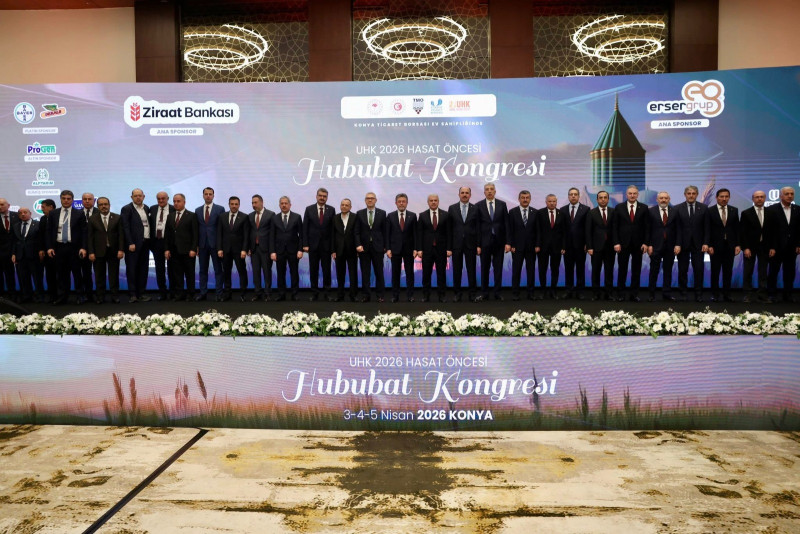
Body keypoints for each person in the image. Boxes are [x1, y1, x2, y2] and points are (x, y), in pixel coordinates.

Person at [46, 190, 87, 305]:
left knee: (77, 273)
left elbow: (84, 232)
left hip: (74, 248)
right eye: (64, 198)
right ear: (60, 199)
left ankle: (80, 296)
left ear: (72, 200)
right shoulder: (53, 213)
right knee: (61, 274)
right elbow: (48, 231)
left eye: (68, 199)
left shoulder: (79, 213)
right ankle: (62, 297)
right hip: (58, 248)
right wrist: (49, 247)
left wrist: (83, 247)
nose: (66, 201)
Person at [612, 185, 649, 302]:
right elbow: (615, 227)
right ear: (626, 194)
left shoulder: (644, 208)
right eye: (630, 193)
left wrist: (646, 243)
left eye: (634, 193)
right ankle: (621, 294)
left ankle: (634, 294)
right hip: (623, 244)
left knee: (636, 270)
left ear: (637, 195)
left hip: (638, 245)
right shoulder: (619, 207)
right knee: (622, 270)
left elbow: (647, 227)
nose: (632, 195)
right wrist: (616, 242)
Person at [475, 183, 510, 301]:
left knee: (498, 268)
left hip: (499, 242)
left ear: (495, 191)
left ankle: (497, 292)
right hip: (484, 242)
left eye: (491, 189)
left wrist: (508, 242)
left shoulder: (502, 204)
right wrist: (478, 245)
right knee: (484, 268)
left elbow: (506, 224)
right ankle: (484, 292)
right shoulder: (478, 205)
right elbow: (477, 227)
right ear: (484, 192)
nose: (489, 191)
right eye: (487, 189)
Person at [675, 185, 710, 302]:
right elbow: (677, 228)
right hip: (682, 244)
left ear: (697, 195)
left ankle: (698, 294)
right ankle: (683, 293)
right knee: (682, 270)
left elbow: (707, 228)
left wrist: (706, 243)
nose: (691, 196)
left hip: (699, 245)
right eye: (689, 193)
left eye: (693, 193)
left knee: (699, 270)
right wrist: (677, 244)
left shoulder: (704, 208)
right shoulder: (677, 208)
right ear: (685, 195)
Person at [87, 197, 124, 304]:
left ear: (109, 205)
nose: (103, 206)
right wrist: (91, 252)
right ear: (98, 206)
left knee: (114, 275)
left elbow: (121, 235)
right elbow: (90, 237)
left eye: (105, 204)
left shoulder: (117, 217)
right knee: (99, 276)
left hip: (114, 251)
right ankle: (100, 296)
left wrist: (121, 250)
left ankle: (115, 296)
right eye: (101, 204)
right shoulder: (92, 219)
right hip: (98, 252)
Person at [645, 192, 681, 302]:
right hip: (655, 246)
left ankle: (667, 294)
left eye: (665, 198)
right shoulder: (651, 211)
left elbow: (679, 229)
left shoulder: (675, 211)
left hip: (670, 246)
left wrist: (678, 244)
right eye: (661, 198)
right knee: (654, 271)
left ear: (669, 199)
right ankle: (651, 294)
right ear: (657, 200)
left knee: (668, 271)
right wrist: (649, 244)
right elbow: (647, 229)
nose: (663, 200)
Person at [767, 186, 800, 303]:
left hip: (792, 247)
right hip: (776, 247)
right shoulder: (772, 209)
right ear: (781, 196)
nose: (789, 196)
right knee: (773, 271)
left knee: (790, 272)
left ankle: (788, 294)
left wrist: (798, 244)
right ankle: (771, 294)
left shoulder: (798, 209)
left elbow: (799, 229)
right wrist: (771, 246)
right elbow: (769, 231)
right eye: (787, 194)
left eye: (791, 194)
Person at [447, 186, 479, 302]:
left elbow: (478, 228)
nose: (464, 195)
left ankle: (472, 294)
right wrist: (449, 247)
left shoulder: (476, 208)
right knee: (456, 270)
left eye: (467, 193)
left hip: (471, 244)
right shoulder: (452, 208)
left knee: (472, 270)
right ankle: (457, 294)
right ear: (459, 194)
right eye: (462, 193)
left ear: (470, 195)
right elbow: (449, 229)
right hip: (456, 244)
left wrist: (478, 245)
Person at [302, 187, 335, 301]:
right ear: (316, 196)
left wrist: (333, 247)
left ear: (327, 198)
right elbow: (305, 228)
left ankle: (327, 293)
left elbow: (333, 230)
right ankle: (314, 293)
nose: (322, 198)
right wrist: (305, 244)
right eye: (320, 196)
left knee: (327, 271)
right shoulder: (309, 209)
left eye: (324, 196)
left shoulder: (331, 210)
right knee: (313, 270)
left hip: (326, 246)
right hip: (312, 246)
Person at [708, 188, 740, 302]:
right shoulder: (710, 211)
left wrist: (738, 245)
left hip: (730, 246)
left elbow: (737, 229)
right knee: (715, 271)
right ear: (717, 197)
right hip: (715, 246)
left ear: (729, 197)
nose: (724, 199)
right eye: (721, 196)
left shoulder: (734, 210)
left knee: (728, 271)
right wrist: (709, 245)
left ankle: (727, 294)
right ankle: (715, 294)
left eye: (726, 196)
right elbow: (707, 229)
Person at [164, 194, 198, 302]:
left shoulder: (191, 215)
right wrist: (167, 249)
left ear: (184, 202)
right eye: (174, 201)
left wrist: (193, 249)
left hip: (188, 251)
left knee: (189, 274)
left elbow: (195, 234)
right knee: (177, 274)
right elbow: (167, 234)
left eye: (178, 201)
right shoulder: (170, 216)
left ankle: (191, 294)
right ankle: (179, 294)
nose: (176, 203)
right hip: (174, 250)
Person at [354, 192, 387, 303]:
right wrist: (358, 244)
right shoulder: (360, 213)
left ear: (376, 200)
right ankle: (366, 295)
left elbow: (385, 231)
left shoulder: (382, 213)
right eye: (368, 198)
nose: (370, 200)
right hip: (364, 248)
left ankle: (380, 295)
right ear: (365, 200)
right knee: (365, 273)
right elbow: (357, 232)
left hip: (378, 247)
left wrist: (385, 246)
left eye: (372, 198)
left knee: (379, 272)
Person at [120, 188, 152, 303]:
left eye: (140, 195)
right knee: (132, 270)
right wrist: (130, 242)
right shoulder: (127, 209)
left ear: (143, 196)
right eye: (135, 196)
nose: (138, 197)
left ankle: (141, 293)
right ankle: (132, 294)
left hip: (145, 244)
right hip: (133, 245)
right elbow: (125, 227)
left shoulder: (146, 208)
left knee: (143, 270)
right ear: (131, 197)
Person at [217, 196, 250, 302]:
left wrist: (244, 249)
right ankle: (227, 293)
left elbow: (246, 235)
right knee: (226, 272)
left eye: (236, 204)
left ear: (239, 205)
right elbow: (219, 234)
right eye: (232, 204)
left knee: (242, 271)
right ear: (229, 204)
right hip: (225, 249)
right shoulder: (222, 216)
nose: (234, 206)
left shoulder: (244, 217)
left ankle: (243, 293)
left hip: (239, 250)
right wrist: (219, 248)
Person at [417, 194, 449, 303]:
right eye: (431, 200)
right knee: (426, 274)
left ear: (438, 202)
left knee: (441, 273)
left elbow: (449, 233)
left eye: (435, 200)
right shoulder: (422, 215)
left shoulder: (445, 215)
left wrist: (449, 248)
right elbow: (419, 233)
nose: (433, 202)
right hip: (427, 250)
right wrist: (419, 249)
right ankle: (426, 295)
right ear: (428, 202)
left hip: (441, 249)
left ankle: (442, 295)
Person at [385, 193, 417, 303]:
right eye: (399, 201)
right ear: (396, 203)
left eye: (403, 201)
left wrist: (415, 249)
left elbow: (415, 234)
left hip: (409, 249)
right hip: (395, 249)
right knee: (395, 273)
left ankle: (410, 295)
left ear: (407, 203)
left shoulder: (413, 216)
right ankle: (395, 295)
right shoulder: (390, 216)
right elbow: (387, 234)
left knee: (410, 273)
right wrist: (388, 249)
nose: (401, 203)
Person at [270, 196, 303, 301]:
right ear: (279, 205)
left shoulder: (297, 217)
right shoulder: (274, 218)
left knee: (294, 273)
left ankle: (295, 294)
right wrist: (272, 251)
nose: (284, 205)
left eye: (286, 203)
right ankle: (281, 294)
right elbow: (272, 236)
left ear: (290, 205)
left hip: (293, 250)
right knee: (280, 273)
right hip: (279, 251)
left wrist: (300, 249)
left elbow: (301, 235)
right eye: (282, 203)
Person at [195, 187, 225, 301]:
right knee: (203, 270)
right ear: (203, 195)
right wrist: (197, 246)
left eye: (210, 194)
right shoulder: (198, 210)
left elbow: (222, 228)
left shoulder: (220, 209)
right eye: (206, 194)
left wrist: (221, 246)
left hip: (216, 244)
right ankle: (203, 293)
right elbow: (197, 229)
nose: (208, 196)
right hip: (202, 244)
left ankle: (219, 294)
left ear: (213, 195)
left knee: (218, 270)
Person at [739, 191, 769, 303]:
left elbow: (773, 232)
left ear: (765, 198)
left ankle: (762, 294)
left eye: (761, 197)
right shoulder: (746, 213)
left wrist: (772, 247)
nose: (759, 199)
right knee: (748, 271)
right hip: (750, 247)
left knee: (763, 272)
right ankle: (747, 294)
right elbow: (742, 232)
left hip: (765, 246)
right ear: (753, 199)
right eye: (757, 197)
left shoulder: (771, 213)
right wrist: (745, 248)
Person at [560, 187, 590, 299]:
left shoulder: (586, 209)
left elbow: (587, 229)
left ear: (578, 196)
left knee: (580, 269)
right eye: (571, 194)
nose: (573, 196)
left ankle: (580, 291)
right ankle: (569, 290)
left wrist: (587, 244)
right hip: (567, 246)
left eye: (575, 194)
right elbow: (562, 230)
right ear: (568, 196)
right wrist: (562, 245)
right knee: (568, 269)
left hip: (581, 246)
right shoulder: (562, 210)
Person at [585, 191, 615, 301]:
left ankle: (609, 293)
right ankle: (595, 293)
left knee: (609, 271)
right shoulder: (591, 213)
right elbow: (588, 231)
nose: (603, 199)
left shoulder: (613, 212)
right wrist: (589, 247)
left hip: (610, 247)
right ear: (597, 200)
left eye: (605, 197)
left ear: (608, 199)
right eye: (600, 198)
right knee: (596, 271)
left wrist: (616, 243)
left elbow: (615, 229)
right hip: (596, 247)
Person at [507, 190, 537, 301]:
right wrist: (511, 244)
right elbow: (510, 230)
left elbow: (538, 230)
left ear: (530, 199)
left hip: (531, 247)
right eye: (523, 197)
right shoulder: (512, 212)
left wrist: (537, 244)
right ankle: (515, 293)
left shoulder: (535, 212)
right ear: (519, 199)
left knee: (531, 271)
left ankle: (531, 293)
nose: (525, 200)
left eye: (527, 197)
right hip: (517, 247)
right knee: (516, 271)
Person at [535, 194, 566, 299]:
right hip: (542, 247)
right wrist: (537, 245)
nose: (552, 203)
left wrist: (563, 246)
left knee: (555, 269)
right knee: (542, 269)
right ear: (546, 202)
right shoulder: (540, 213)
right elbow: (537, 230)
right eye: (550, 201)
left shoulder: (561, 213)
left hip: (557, 247)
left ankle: (553, 291)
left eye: (554, 201)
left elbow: (564, 232)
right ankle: (543, 291)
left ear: (556, 202)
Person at [10, 208, 42, 303]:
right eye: (20, 213)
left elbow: (41, 239)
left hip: (34, 255)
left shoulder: (38, 224)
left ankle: (39, 296)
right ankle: (27, 295)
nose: (23, 214)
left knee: (37, 277)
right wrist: (13, 253)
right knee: (23, 277)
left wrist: (41, 251)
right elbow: (14, 241)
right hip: (20, 256)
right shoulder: (15, 226)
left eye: (25, 212)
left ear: (30, 213)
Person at [248, 194, 274, 302]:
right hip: (254, 249)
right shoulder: (250, 216)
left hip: (266, 249)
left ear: (261, 202)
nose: (254, 205)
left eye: (255, 202)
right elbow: (249, 233)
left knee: (267, 272)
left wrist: (272, 250)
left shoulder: (271, 214)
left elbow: (273, 234)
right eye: (252, 203)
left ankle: (268, 293)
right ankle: (257, 293)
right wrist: (248, 248)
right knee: (256, 272)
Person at [149, 191, 175, 300]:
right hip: (157, 242)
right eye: (158, 199)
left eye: (163, 198)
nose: (161, 200)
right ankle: (162, 293)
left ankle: (173, 293)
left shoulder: (174, 209)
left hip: (170, 243)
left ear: (167, 198)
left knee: (172, 269)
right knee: (159, 269)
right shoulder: (152, 209)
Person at [332, 198, 358, 302]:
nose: (344, 206)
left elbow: (357, 233)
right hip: (339, 250)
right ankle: (340, 295)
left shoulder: (355, 217)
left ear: (350, 207)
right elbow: (332, 235)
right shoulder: (335, 218)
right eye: (342, 204)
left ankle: (353, 295)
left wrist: (358, 248)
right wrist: (333, 250)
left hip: (352, 250)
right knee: (340, 274)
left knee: (353, 274)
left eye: (346, 205)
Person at [37, 199, 58, 303]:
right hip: (47, 251)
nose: (42, 209)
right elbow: (41, 235)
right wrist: (41, 249)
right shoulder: (43, 219)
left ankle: (61, 294)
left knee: (61, 274)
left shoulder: (59, 217)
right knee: (49, 274)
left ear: (51, 207)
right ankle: (52, 294)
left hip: (59, 250)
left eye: (43, 207)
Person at [79, 192, 97, 302]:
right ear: (82, 201)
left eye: (89, 199)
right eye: (85, 199)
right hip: (82, 248)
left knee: (99, 273)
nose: (87, 201)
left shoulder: (99, 212)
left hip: (98, 248)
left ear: (94, 201)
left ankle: (99, 295)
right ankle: (87, 294)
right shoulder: (77, 213)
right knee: (85, 272)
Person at [0, 198, 18, 300]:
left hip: (13, 251)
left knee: (10, 274)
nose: (0, 207)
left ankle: (12, 294)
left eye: (2, 204)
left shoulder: (17, 216)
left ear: (8, 205)